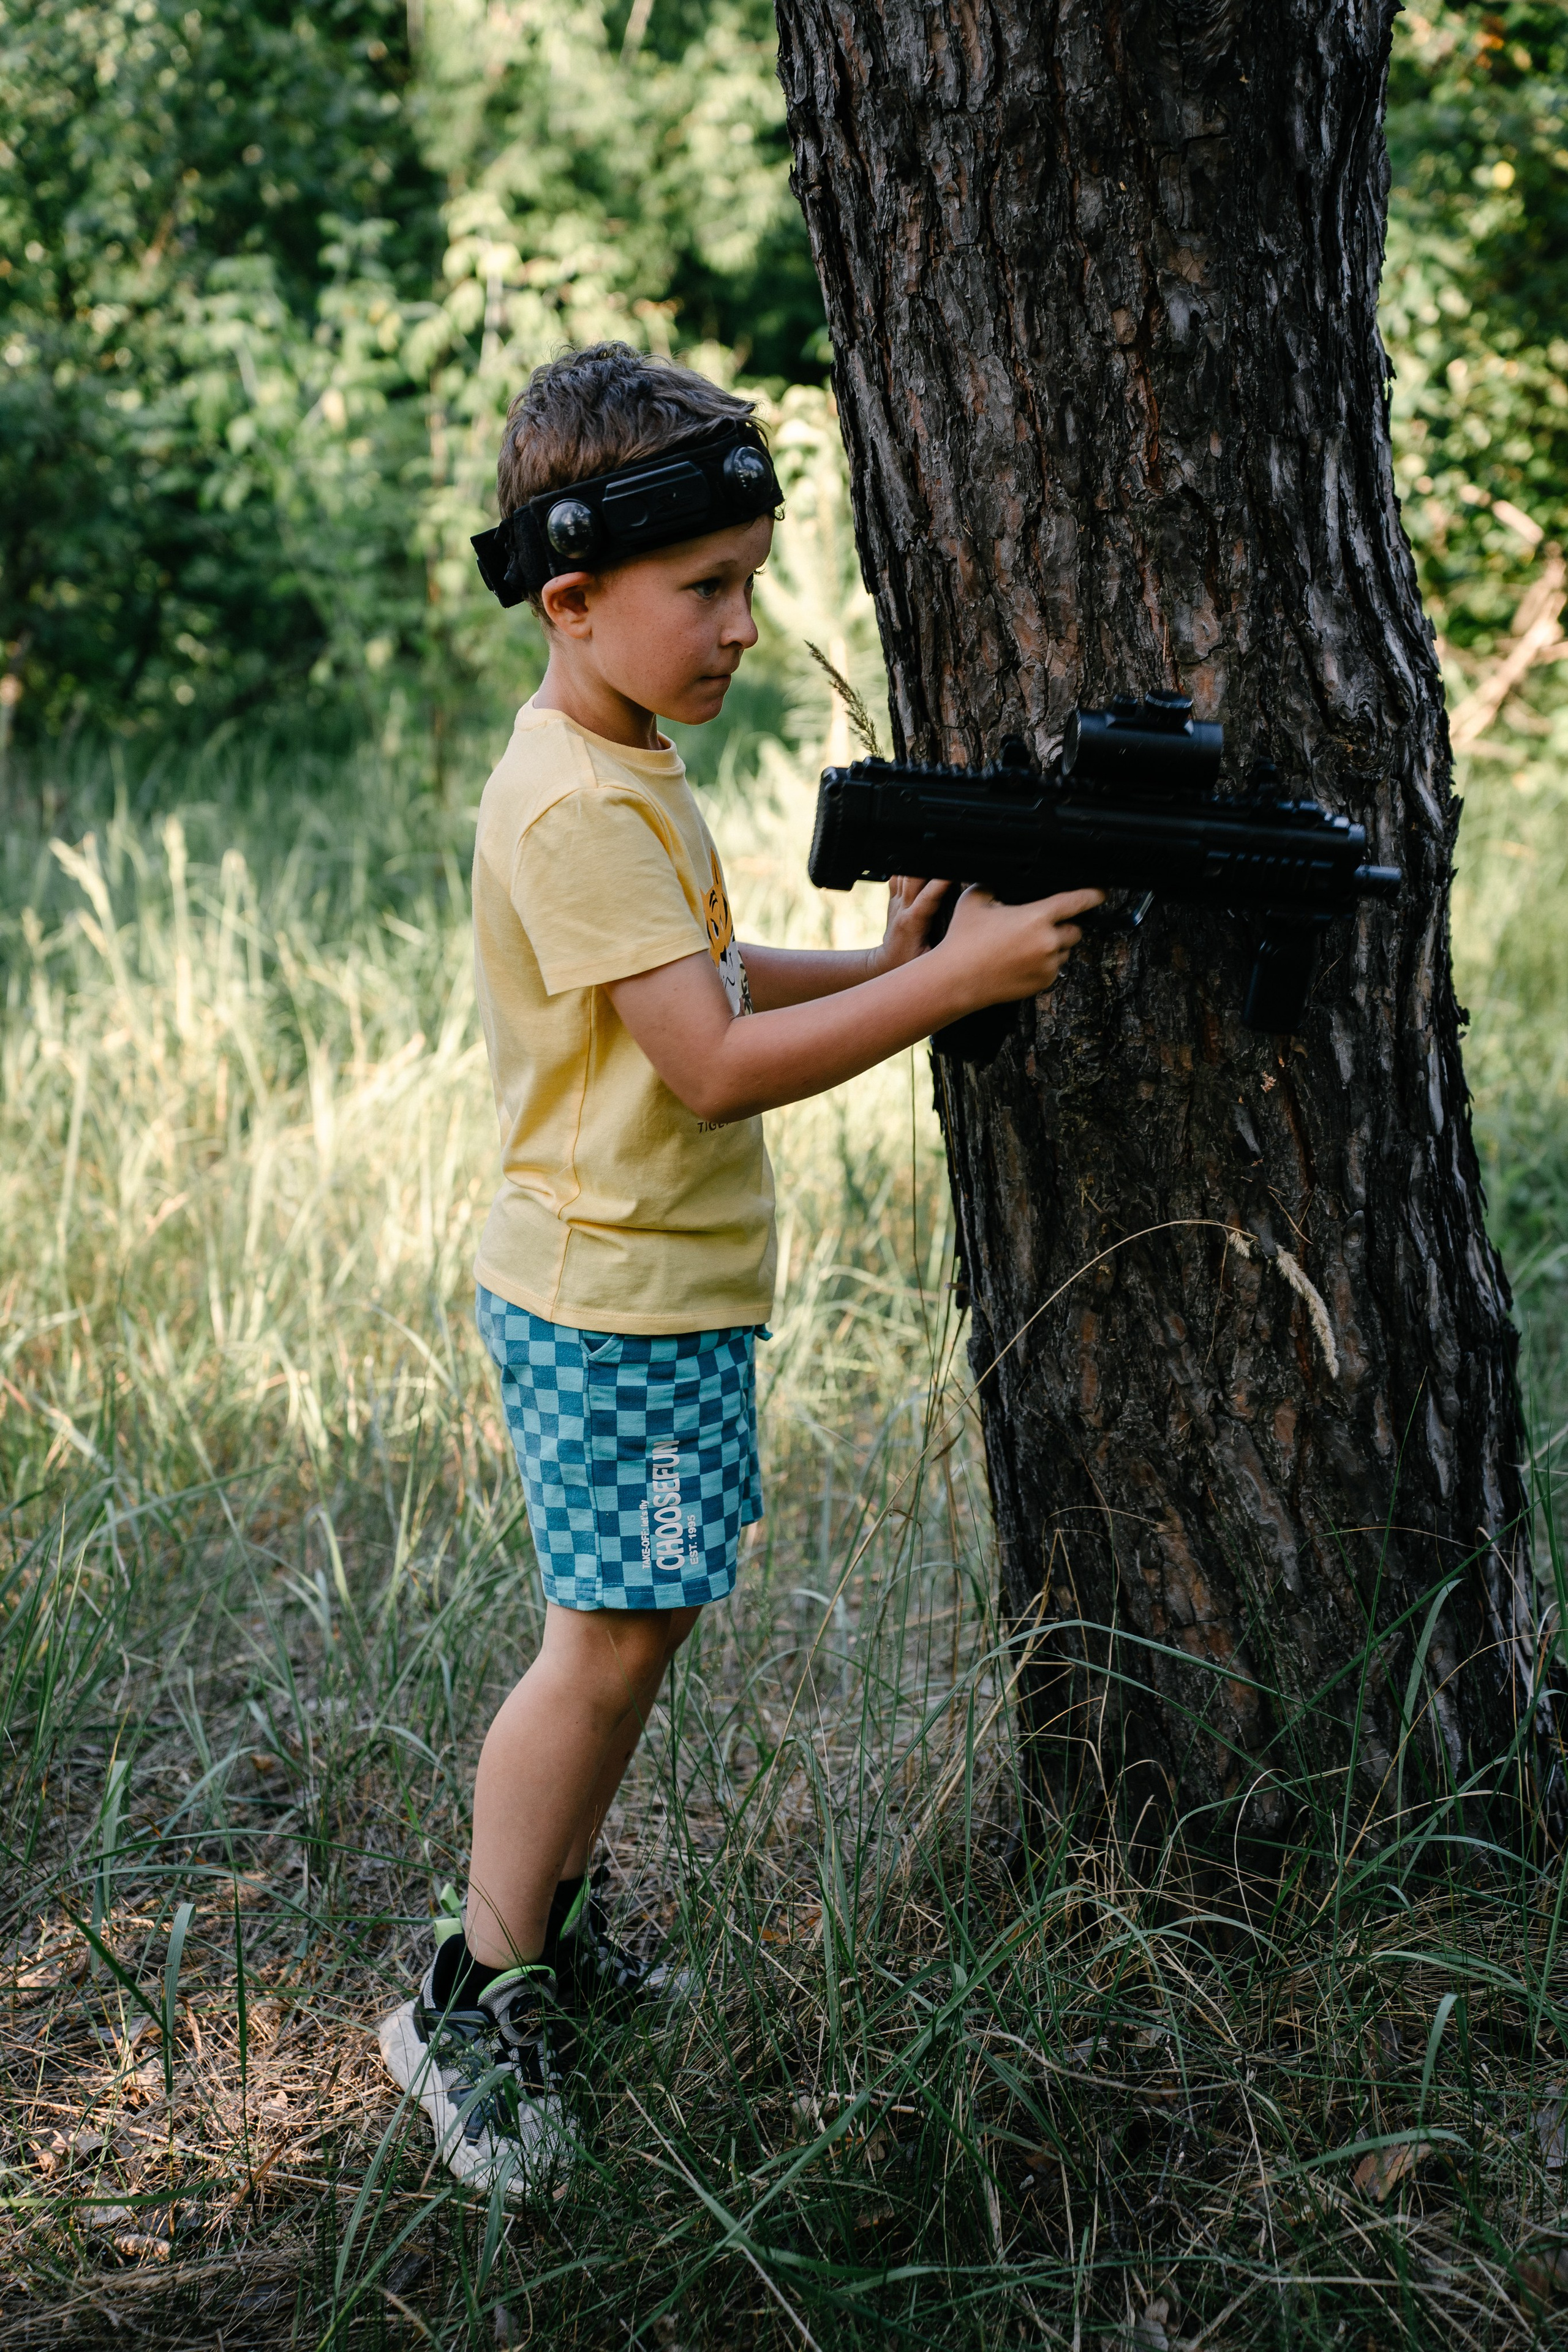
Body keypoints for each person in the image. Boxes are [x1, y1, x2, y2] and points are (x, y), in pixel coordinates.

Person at [377, 342, 1101, 2192]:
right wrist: (951, 989)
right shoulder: (577, 802)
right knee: (603, 1643)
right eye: (705, 589)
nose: (741, 628)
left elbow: (700, 979)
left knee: (644, 1624)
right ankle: (472, 1993)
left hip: (659, 1291)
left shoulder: (619, 759)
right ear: (572, 597)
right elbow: (705, 1065)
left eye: (750, 584)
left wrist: (885, 967)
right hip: (611, 1297)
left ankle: (546, 1928)